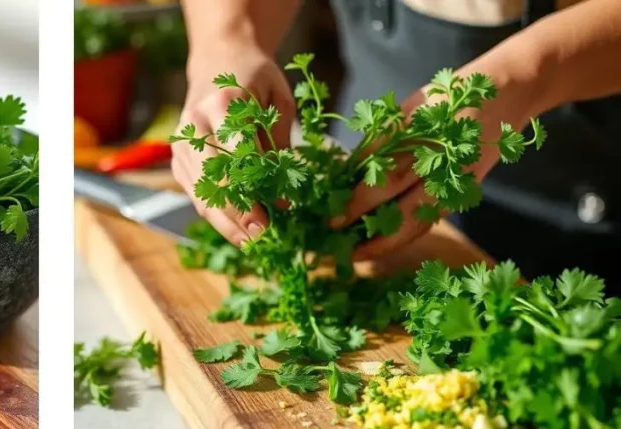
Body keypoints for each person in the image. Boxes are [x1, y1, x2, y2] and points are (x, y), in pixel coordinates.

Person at [172, 0, 621, 291]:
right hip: (369, 155)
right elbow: (226, 34)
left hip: (587, 190)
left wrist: (529, 73)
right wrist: (226, 40)